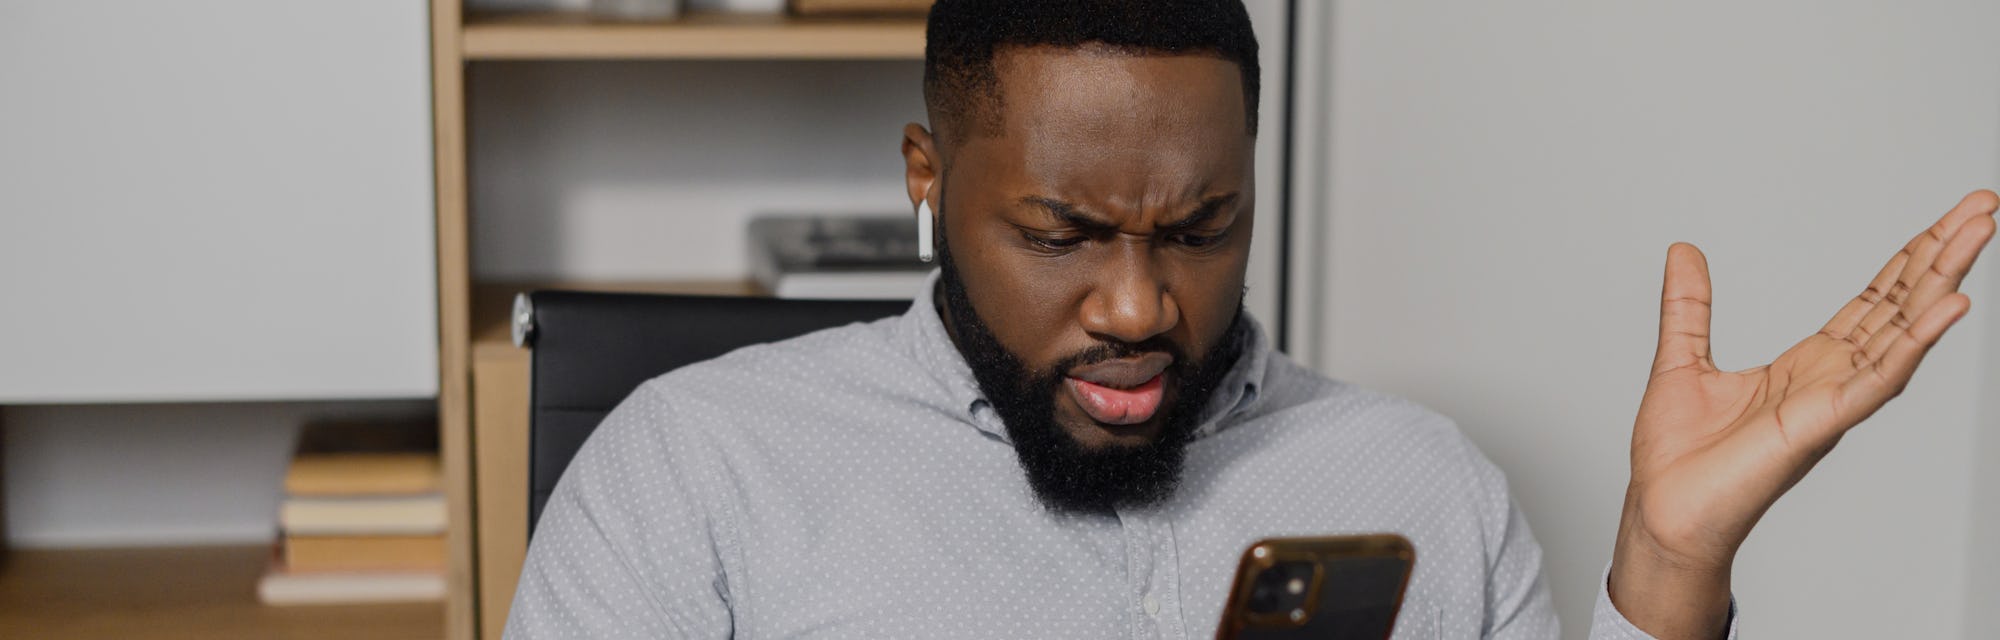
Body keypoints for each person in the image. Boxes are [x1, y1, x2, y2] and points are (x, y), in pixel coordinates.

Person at [504, 1, 1997, 638]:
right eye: (1061, 236)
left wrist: (1670, 564)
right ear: (927, 177)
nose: (1140, 305)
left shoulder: (1426, 484)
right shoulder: (695, 470)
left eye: (1202, 229)